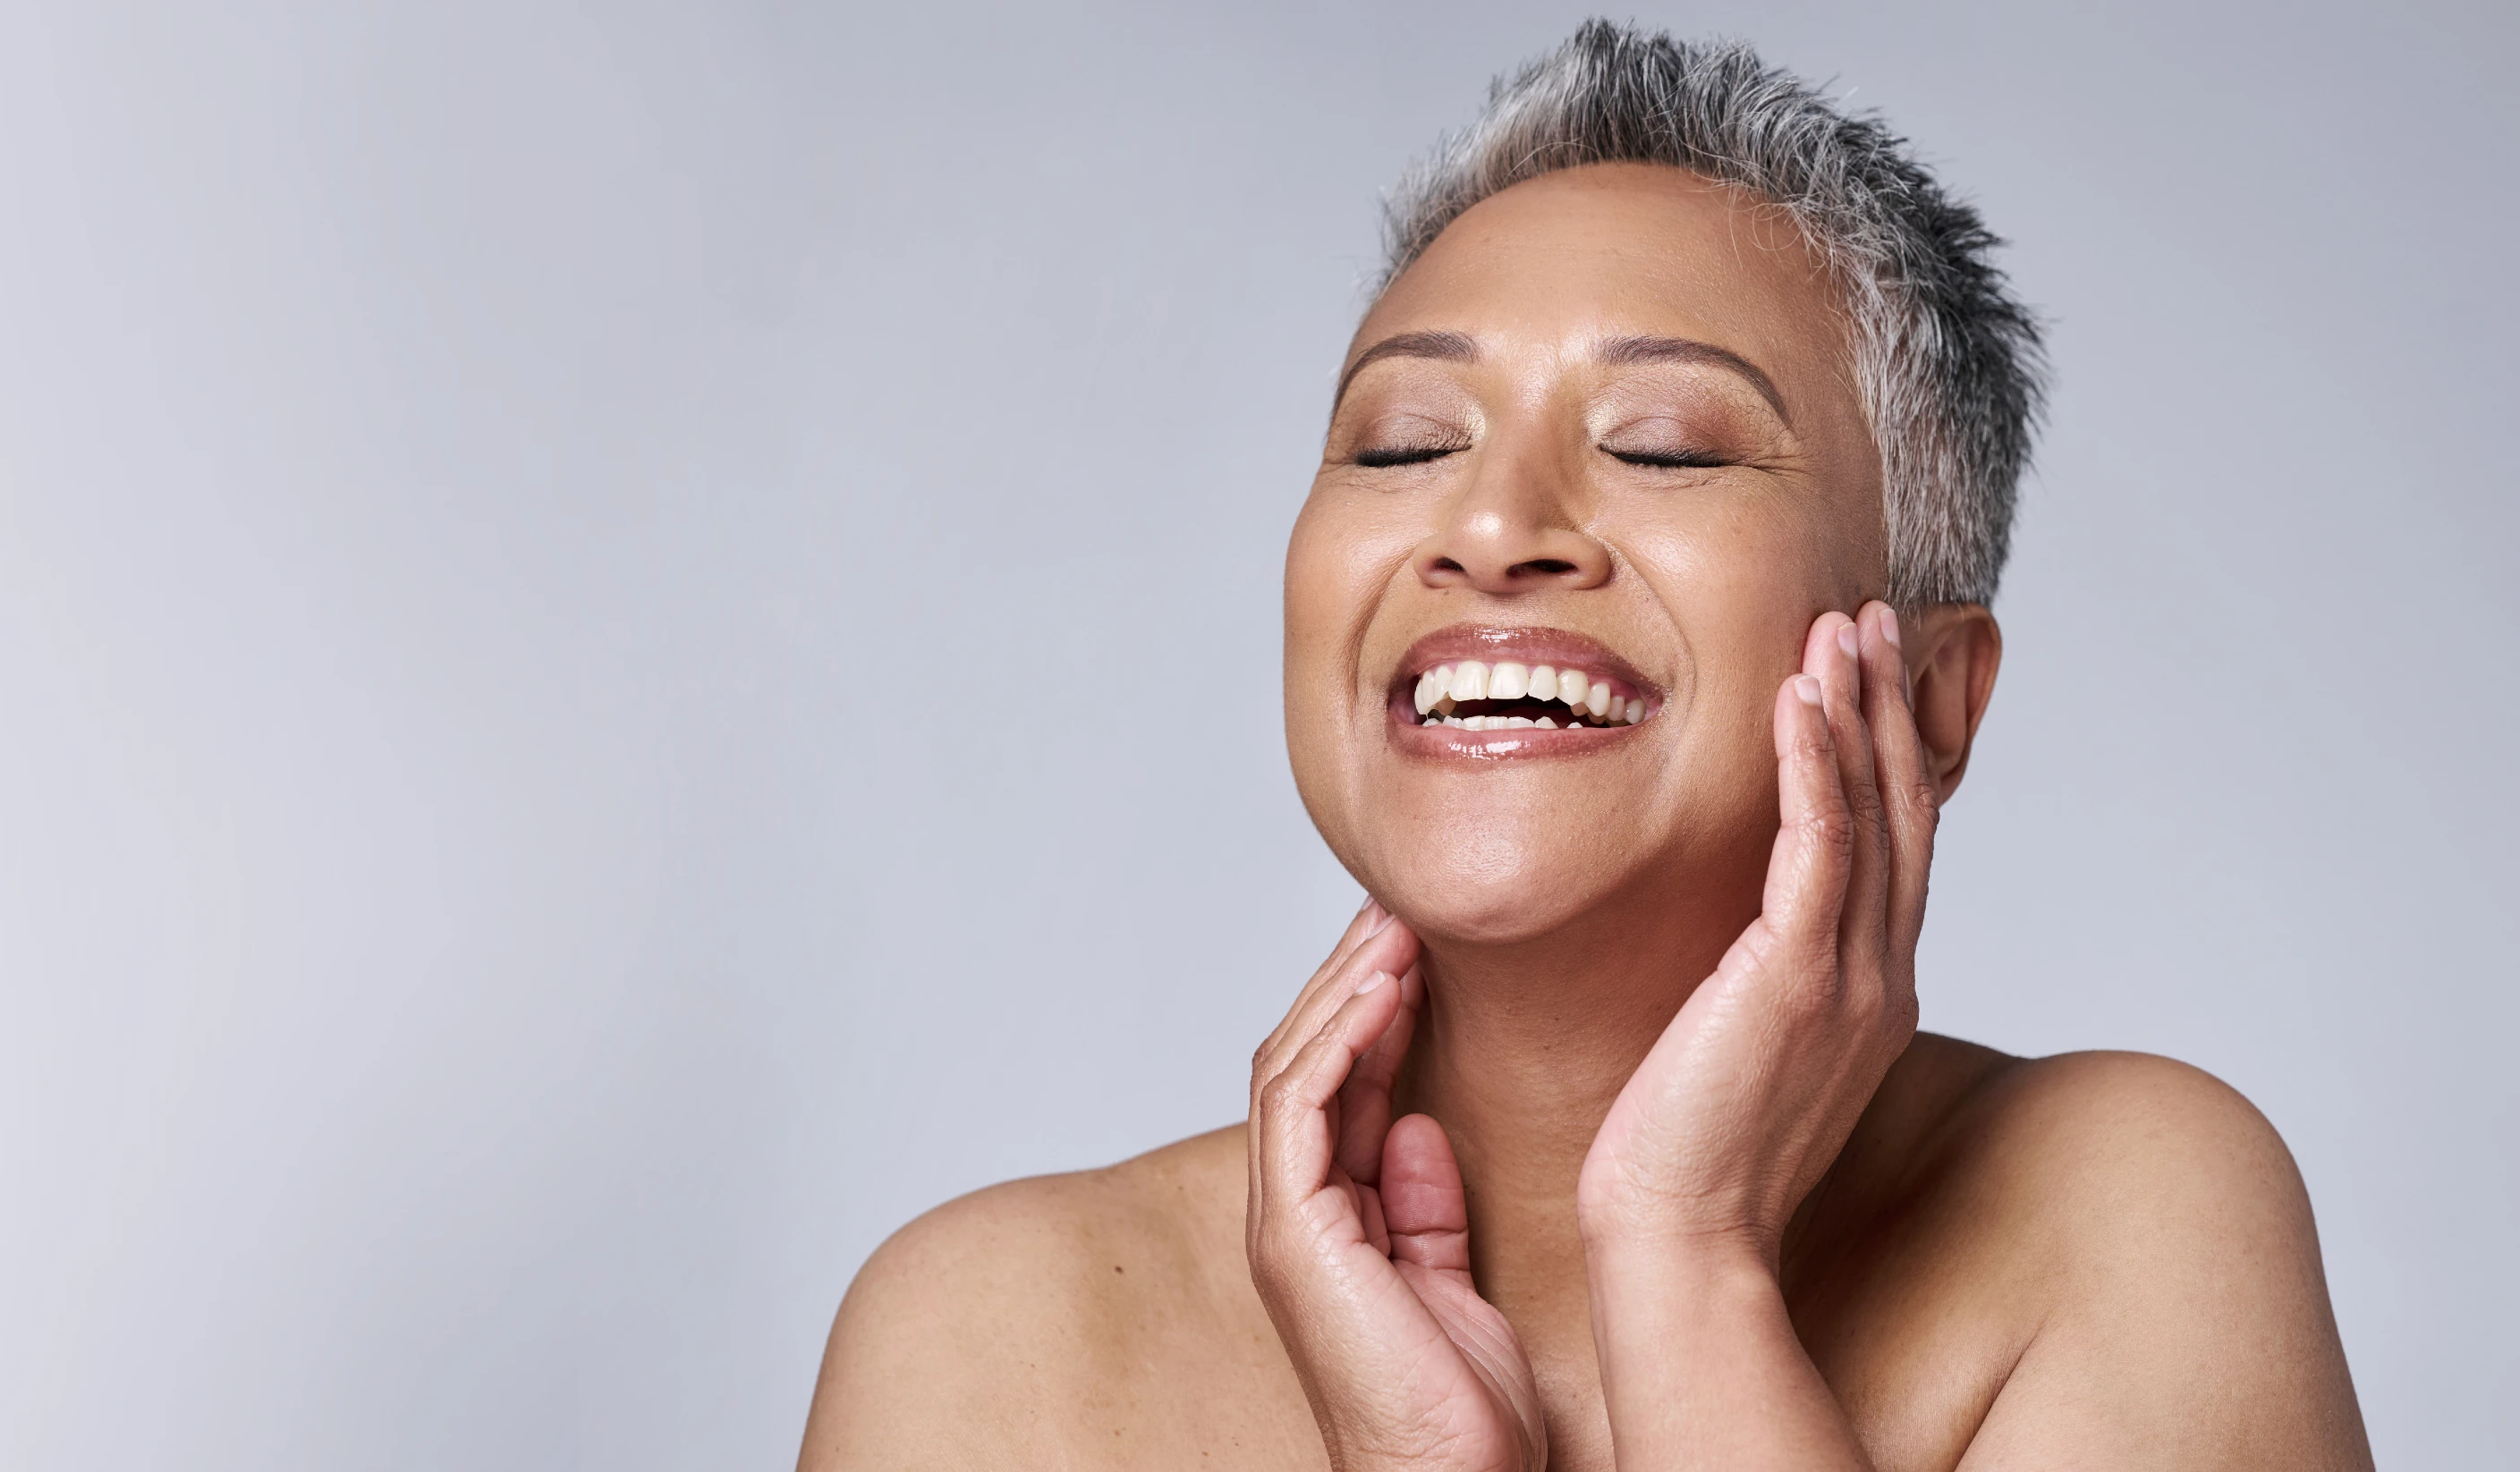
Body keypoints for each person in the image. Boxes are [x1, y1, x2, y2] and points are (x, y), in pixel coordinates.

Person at [795, 21, 2372, 1471]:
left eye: (1661, 446)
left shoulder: (2132, 1212)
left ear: (1938, 699)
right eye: (1404, 442)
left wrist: (1687, 1259)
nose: (1489, 527)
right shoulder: (984, 1347)